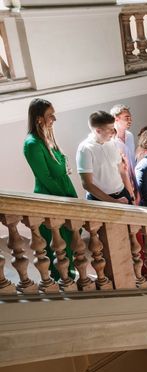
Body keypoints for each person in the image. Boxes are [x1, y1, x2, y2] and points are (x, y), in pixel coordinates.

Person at [23, 98, 77, 280]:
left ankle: (70, 273)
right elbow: (45, 177)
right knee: (58, 240)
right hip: (52, 195)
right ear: (38, 118)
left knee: (70, 237)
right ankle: (61, 278)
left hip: (64, 190)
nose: (54, 118)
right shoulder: (32, 144)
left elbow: (59, 162)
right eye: (50, 115)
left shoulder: (46, 136)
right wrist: (66, 199)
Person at [76, 111, 134, 204]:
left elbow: (121, 170)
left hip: (123, 193)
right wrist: (114, 202)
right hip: (100, 200)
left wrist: (130, 193)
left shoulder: (113, 142)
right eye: (110, 129)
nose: (113, 131)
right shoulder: (85, 149)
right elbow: (87, 185)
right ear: (98, 131)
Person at [111, 104, 138, 200]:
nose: (130, 121)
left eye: (130, 118)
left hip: (134, 179)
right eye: (127, 118)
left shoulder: (130, 136)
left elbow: (132, 160)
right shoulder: (110, 141)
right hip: (121, 184)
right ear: (116, 119)